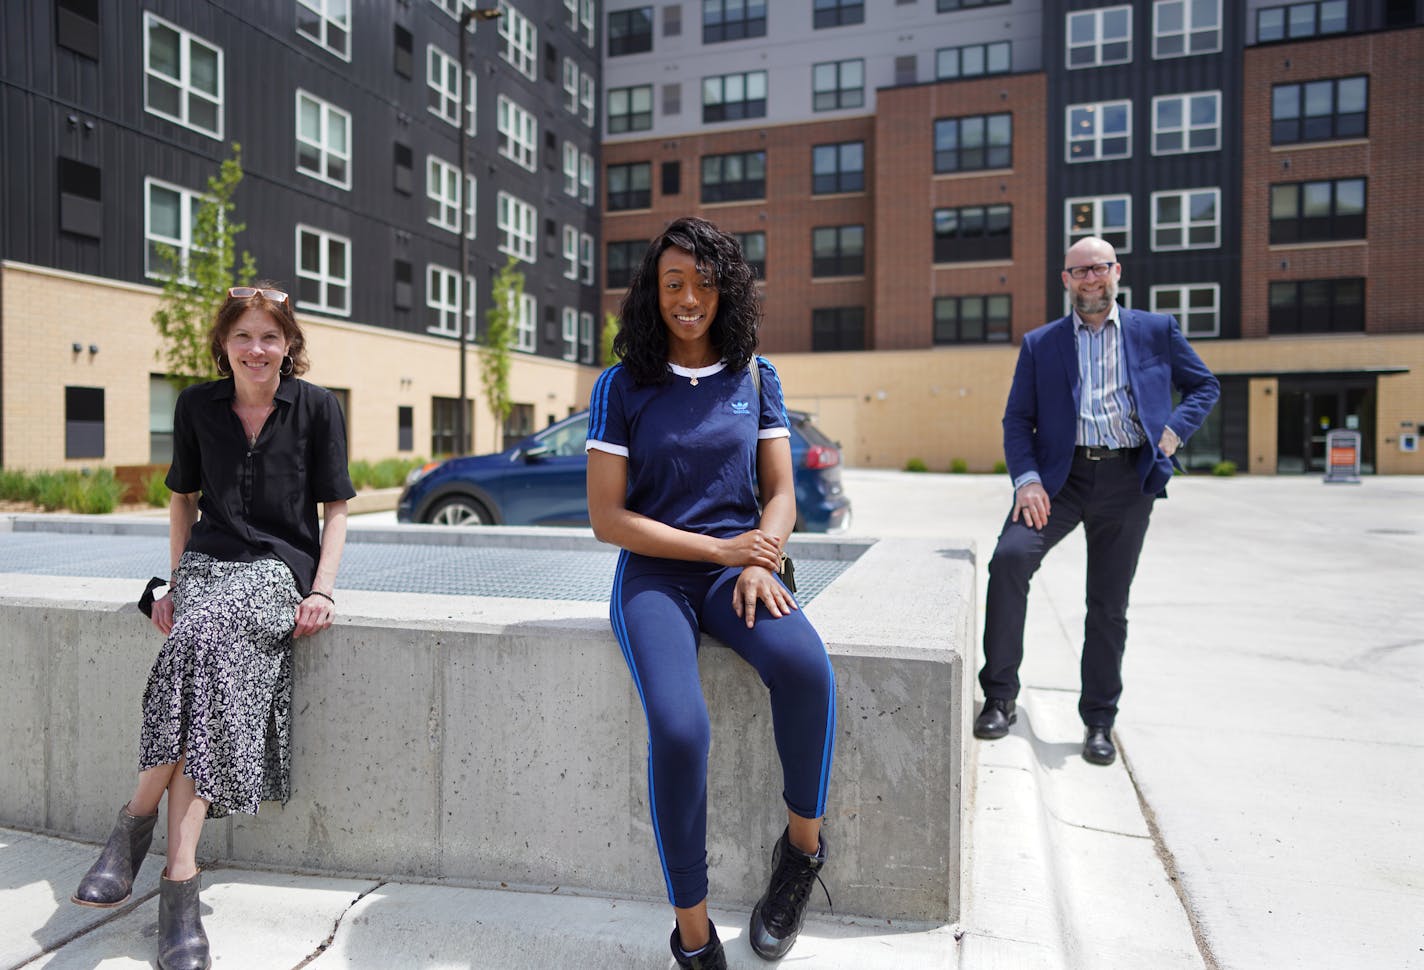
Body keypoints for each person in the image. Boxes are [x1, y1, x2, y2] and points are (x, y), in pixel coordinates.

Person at [70, 284, 354, 970]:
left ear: (289, 346)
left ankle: (134, 825)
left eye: (270, 338)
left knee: (202, 640)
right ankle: (179, 885)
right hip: (206, 565)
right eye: (243, 338)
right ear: (223, 347)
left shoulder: (316, 407)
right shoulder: (197, 404)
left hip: (276, 573)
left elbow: (336, 510)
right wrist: (173, 583)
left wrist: (322, 590)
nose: (257, 350)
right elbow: (181, 501)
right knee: (204, 661)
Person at [586, 217, 837, 969]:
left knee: (806, 669)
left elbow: (782, 492)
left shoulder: (754, 374)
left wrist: (761, 557)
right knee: (683, 729)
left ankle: (800, 855)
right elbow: (608, 518)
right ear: (652, 293)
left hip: (740, 572)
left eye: (702, 282)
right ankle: (693, 935)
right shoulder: (622, 385)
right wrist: (719, 548)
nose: (688, 298)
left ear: (725, 289)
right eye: (673, 284)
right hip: (655, 575)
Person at [973, 237, 1219, 766]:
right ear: (1065, 279)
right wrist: (1028, 481)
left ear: (1116, 273)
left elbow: (1204, 386)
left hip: (1129, 480)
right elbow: (1018, 420)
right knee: (1009, 561)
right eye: (1079, 270)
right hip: (1059, 481)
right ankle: (999, 696)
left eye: (1099, 268)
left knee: (1108, 605)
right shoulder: (1042, 343)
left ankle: (1099, 721)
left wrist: (1172, 435)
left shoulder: (1157, 331)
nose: (1090, 278)